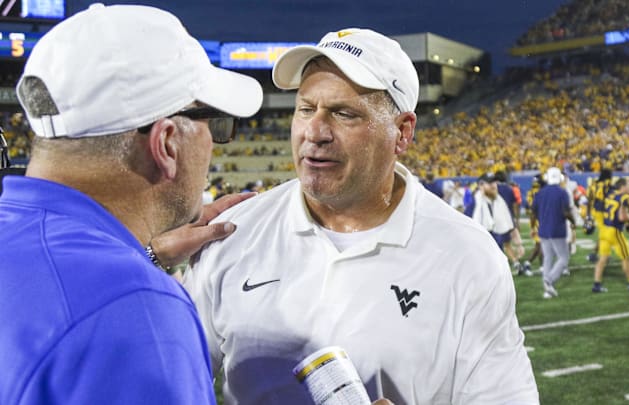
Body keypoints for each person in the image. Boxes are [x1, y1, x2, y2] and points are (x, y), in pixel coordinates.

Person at [184, 28, 538, 404]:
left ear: (401, 133)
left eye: (344, 114)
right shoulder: (235, 230)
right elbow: (169, 379)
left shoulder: (468, 256)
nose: (315, 132)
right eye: (305, 109)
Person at [0, 4, 265, 404]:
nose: (214, 143)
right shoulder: (137, 308)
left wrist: (141, 257)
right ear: (167, 143)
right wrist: (131, 281)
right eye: (217, 124)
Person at [531, 167, 575, 299]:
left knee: (548, 258)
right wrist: (573, 221)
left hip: (543, 229)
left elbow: (533, 213)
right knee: (564, 258)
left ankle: (547, 289)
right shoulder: (562, 193)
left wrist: (533, 227)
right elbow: (566, 212)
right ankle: (549, 280)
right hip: (557, 229)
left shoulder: (539, 193)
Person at [592, 177, 629, 293]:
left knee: (602, 259)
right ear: (623, 186)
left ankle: (596, 284)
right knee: (626, 258)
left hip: (604, 230)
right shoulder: (625, 197)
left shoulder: (611, 194)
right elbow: (622, 217)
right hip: (614, 231)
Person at [473, 172, 526, 265]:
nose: (494, 186)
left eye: (494, 182)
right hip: (481, 251)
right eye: (490, 183)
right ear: (481, 186)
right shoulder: (474, 204)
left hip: (496, 249)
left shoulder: (499, 201)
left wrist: (519, 244)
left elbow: (509, 225)